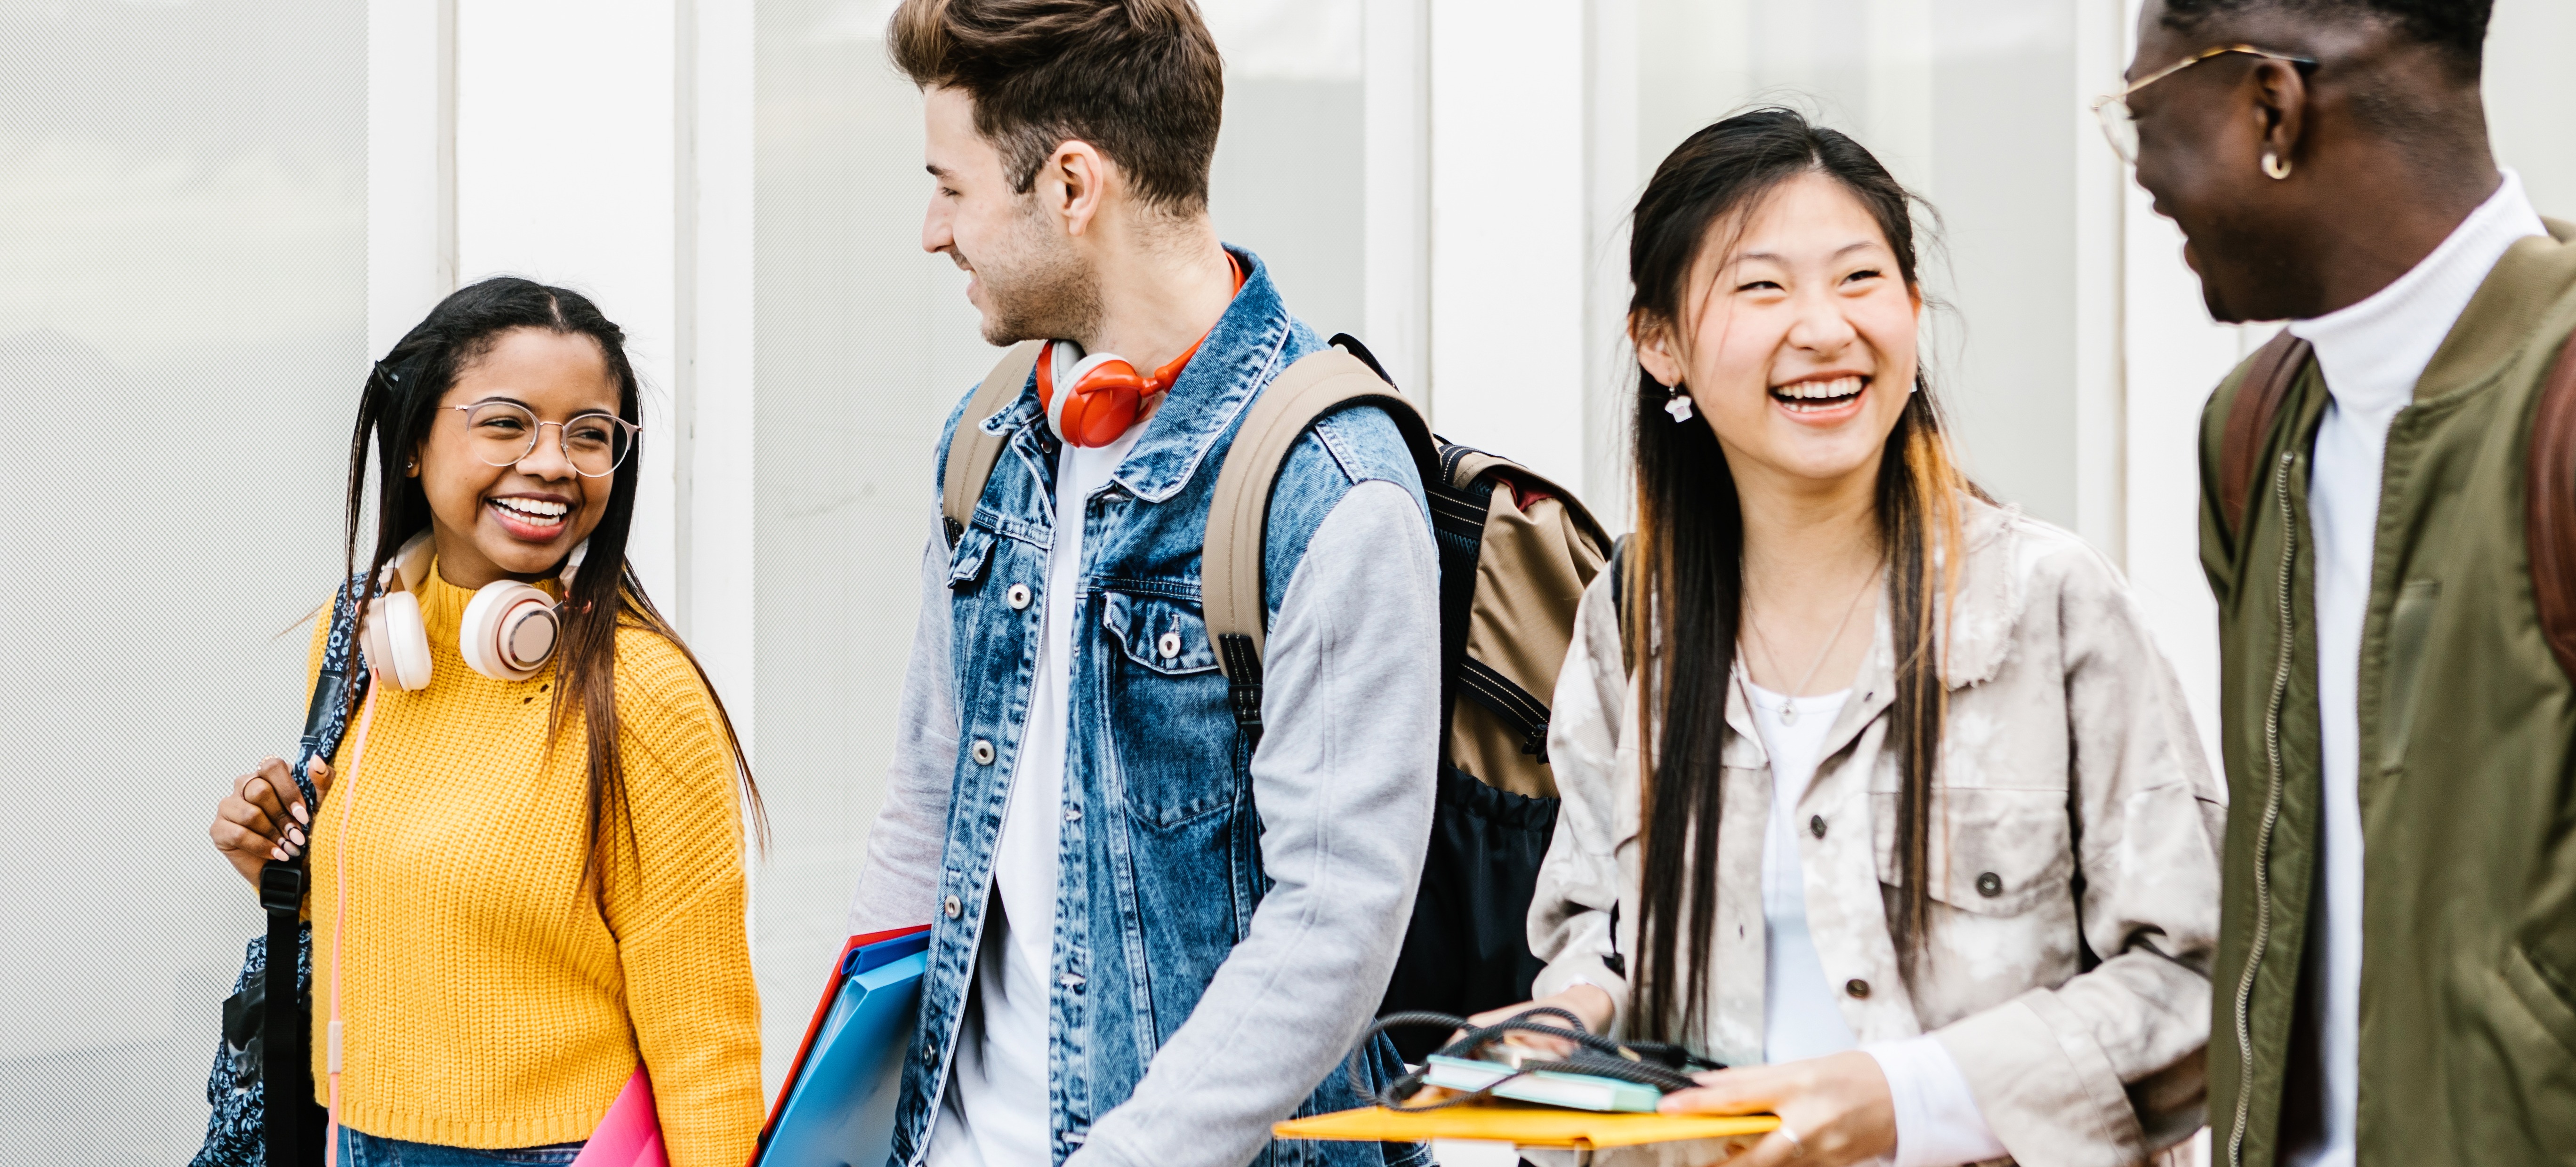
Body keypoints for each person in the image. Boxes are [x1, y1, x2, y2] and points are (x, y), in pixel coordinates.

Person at [1490, 109, 2224, 1167]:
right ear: (1661, 344)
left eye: (1859, 279)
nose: (1824, 327)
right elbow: (1592, 936)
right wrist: (1555, 1038)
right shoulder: (1631, 613)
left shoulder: (2050, 604)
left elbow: (2198, 978)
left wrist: (1908, 1097)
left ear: (1914, 311)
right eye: (1762, 286)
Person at [840, 2, 1442, 1167]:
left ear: (1072, 185)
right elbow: (923, 815)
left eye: (953, 188)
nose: (931, 231)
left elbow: (1333, 918)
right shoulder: (991, 440)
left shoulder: (1332, 488)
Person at [2109, 2, 2572, 1165]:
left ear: (2273, 107)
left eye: (2144, 118)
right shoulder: (2253, 429)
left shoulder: (2559, 406)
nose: (2141, 177)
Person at [206, 278, 766, 1167]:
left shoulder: (643, 691)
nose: (554, 462)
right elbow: (447, 927)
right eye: (507, 423)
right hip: (346, 1138)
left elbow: (706, 1041)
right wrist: (292, 880)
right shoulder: (360, 638)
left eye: (590, 435)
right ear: (419, 444)